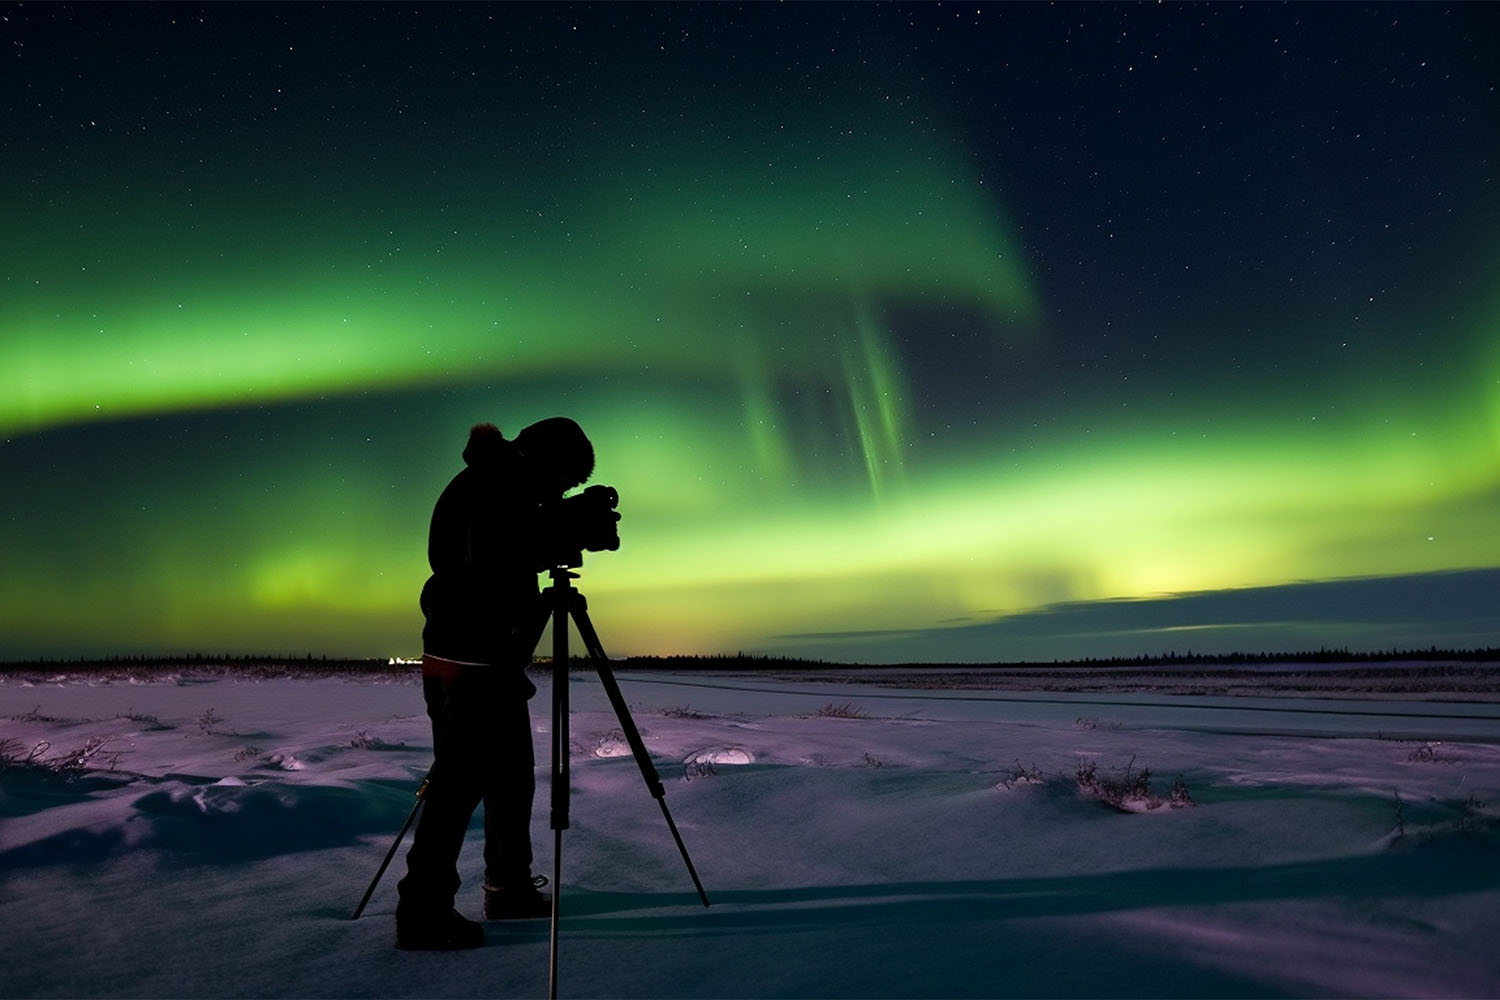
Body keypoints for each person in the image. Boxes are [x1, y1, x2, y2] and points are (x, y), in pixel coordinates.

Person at [395, 417, 596, 951]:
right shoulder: (493, 484)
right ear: (548, 462)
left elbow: (510, 539)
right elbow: (491, 557)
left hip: (485, 662)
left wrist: (559, 521)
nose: (560, 492)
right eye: (564, 481)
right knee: (458, 787)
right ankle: (422, 911)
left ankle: (508, 888)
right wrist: (563, 528)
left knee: (510, 778)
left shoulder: (501, 481)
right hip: (469, 665)